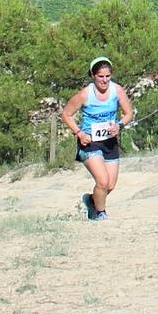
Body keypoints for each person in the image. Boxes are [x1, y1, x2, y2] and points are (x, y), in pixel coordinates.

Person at [61, 57, 134, 221]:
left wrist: (119, 125)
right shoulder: (85, 94)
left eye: (108, 76)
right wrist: (79, 133)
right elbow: (66, 114)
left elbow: (129, 113)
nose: (104, 80)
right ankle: (100, 214)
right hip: (90, 142)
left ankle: (91, 201)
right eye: (100, 76)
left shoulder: (117, 91)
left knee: (110, 185)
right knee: (102, 181)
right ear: (93, 76)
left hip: (109, 141)